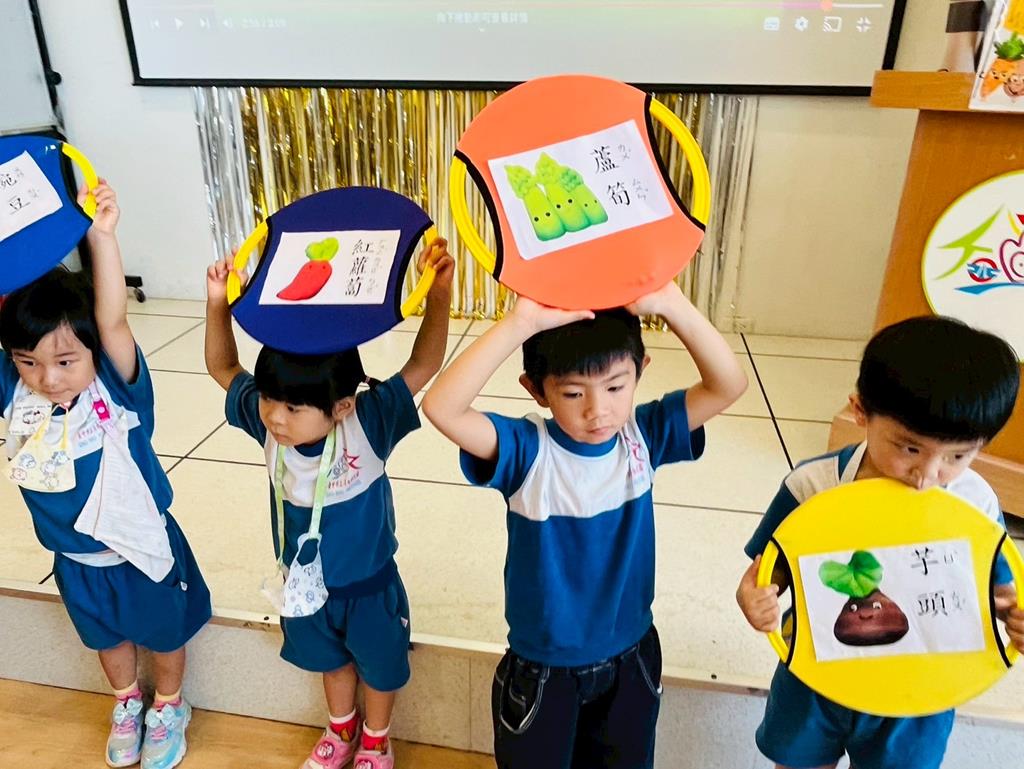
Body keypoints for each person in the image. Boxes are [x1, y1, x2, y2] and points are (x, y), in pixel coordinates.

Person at [422, 281, 747, 768]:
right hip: (544, 669)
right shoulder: (526, 451)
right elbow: (441, 407)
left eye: (616, 387)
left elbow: (729, 385)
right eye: (574, 392)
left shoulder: (644, 436)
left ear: (640, 371)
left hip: (632, 655)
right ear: (536, 390)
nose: (598, 410)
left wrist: (671, 304)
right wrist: (519, 324)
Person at [204, 238, 454, 769]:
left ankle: (376, 740)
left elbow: (425, 362)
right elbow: (222, 366)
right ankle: (341, 729)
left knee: (379, 668)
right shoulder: (269, 426)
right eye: (269, 399)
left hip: (369, 587)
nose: (275, 415)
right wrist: (216, 304)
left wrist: (439, 294)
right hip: (304, 585)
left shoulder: (370, 421)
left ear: (340, 406)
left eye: (294, 408)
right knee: (331, 662)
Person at [736, 315, 1024, 769]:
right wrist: (754, 598)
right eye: (909, 448)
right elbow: (768, 572)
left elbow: (998, 593)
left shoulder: (975, 502)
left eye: (957, 455)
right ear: (860, 411)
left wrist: (1013, 617)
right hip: (816, 672)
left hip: (920, 688)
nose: (927, 475)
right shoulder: (814, 485)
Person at [0, 182, 211, 769]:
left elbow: (113, 318)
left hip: (139, 547)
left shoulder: (115, 387)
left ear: (92, 352)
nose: (48, 377)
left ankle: (169, 705)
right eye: (28, 362)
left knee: (165, 634)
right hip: (75, 559)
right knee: (105, 639)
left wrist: (102, 236)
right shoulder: (15, 390)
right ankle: (126, 701)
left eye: (65, 360)